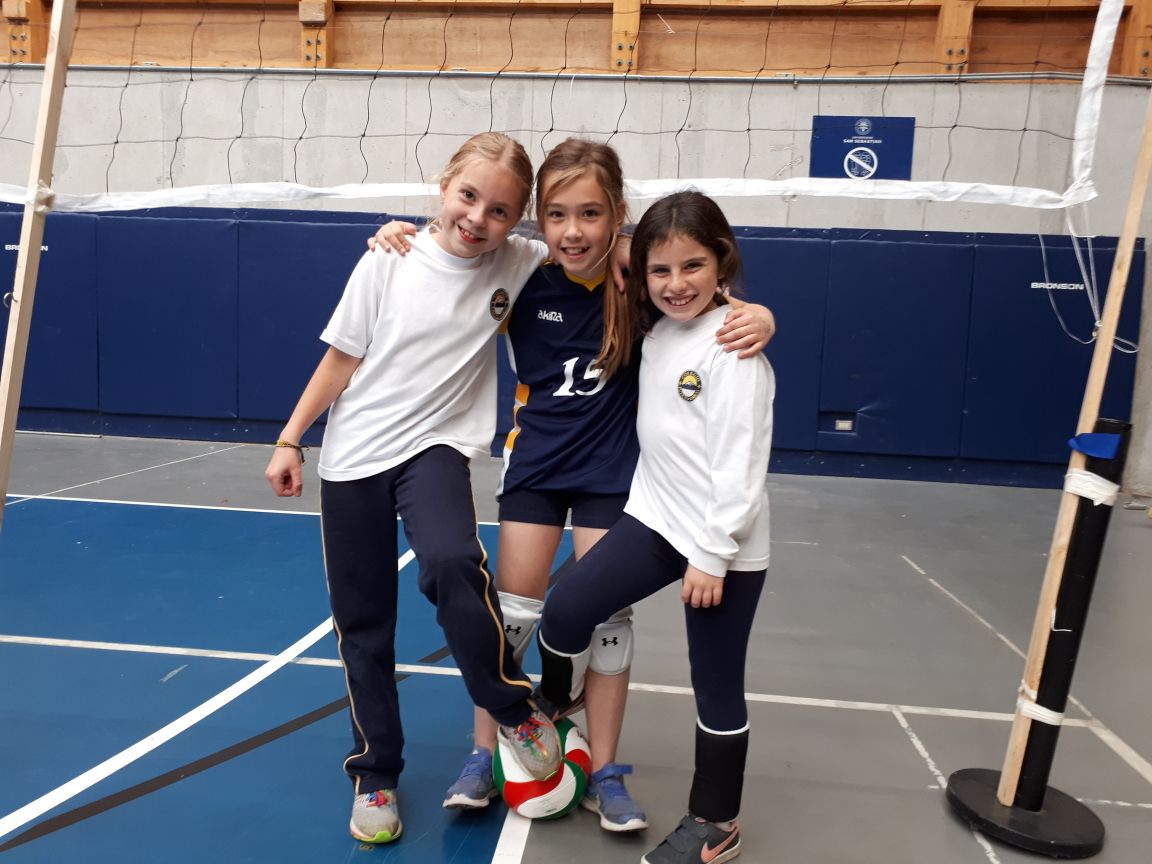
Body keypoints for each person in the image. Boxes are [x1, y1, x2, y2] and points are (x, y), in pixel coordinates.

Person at [371, 140, 776, 834]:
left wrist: (761, 316)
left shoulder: (638, 285)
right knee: (511, 616)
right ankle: (485, 751)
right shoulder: (520, 273)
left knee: (607, 623)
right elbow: (452, 253)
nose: (573, 230)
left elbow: (710, 301)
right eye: (557, 214)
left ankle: (607, 768)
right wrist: (398, 235)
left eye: (591, 214)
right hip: (536, 467)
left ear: (616, 214)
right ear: (539, 217)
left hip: (612, 475)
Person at [264, 131, 565, 846]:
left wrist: (744, 307)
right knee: (363, 624)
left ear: (517, 218)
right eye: (469, 197)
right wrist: (290, 438)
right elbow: (340, 359)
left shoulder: (520, 259)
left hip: (435, 448)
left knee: (453, 560)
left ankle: (512, 708)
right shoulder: (388, 258)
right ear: (443, 186)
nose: (478, 219)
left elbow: (612, 245)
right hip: (354, 457)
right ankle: (376, 773)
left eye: (500, 210)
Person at [533, 190, 774, 864]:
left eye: (692, 266)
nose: (676, 284)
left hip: (722, 546)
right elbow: (588, 248)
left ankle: (716, 821)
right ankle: (557, 697)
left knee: (715, 682)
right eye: (660, 270)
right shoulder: (658, 329)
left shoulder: (735, 348)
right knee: (566, 607)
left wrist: (713, 555)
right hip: (654, 520)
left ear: (721, 261)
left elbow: (742, 467)